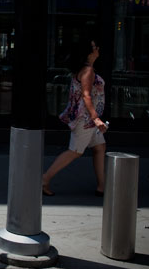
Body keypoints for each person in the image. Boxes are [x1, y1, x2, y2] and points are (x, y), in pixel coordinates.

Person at [42, 39, 108, 197]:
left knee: (99, 147)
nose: (97, 48)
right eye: (94, 47)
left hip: (87, 119)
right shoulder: (87, 71)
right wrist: (96, 118)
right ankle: (44, 179)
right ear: (88, 52)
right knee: (75, 151)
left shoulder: (86, 69)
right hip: (85, 120)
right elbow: (86, 96)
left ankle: (102, 186)